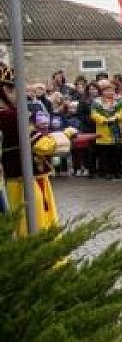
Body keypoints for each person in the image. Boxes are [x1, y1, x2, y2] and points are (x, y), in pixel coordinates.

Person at [0, 63, 70, 234]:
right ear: (6, 90)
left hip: (14, 179)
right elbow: (41, 145)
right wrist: (66, 135)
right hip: (24, 181)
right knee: (34, 225)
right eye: (18, 90)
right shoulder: (10, 116)